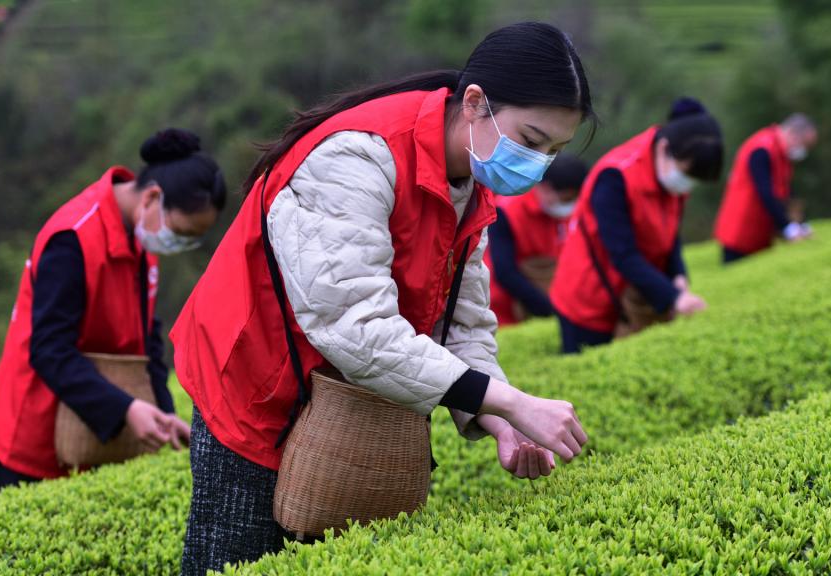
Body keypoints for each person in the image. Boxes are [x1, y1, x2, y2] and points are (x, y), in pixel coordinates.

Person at [170, 22, 593, 574]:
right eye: (532, 141)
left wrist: (498, 416)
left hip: (336, 399)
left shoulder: (470, 179)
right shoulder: (355, 159)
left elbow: (462, 320)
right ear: (474, 103)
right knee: (235, 558)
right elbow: (354, 325)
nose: (537, 166)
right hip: (254, 385)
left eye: (553, 152)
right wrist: (509, 402)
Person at [0, 128, 226, 490]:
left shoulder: (142, 237)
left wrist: (163, 412)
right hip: (33, 434)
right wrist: (126, 410)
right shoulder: (72, 238)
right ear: (152, 197)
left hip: (87, 432)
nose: (178, 244)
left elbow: (147, 334)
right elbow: (49, 350)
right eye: (180, 232)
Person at [550, 98, 723, 354]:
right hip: (590, 300)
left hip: (633, 293)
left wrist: (678, 275)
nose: (686, 185)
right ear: (665, 148)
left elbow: (670, 233)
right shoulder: (615, 176)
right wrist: (674, 297)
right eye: (685, 174)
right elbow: (622, 254)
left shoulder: (671, 175)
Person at [487, 153, 588, 326]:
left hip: (553, 295)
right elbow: (505, 272)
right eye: (567, 199)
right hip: (506, 306)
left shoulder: (565, 210)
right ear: (546, 188)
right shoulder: (507, 211)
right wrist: (551, 309)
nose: (571, 205)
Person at [714, 114, 818, 264]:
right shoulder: (762, 148)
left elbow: (785, 190)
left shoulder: (780, 153)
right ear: (793, 134)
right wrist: (787, 227)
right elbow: (766, 193)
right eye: (804, 144)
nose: (803, 150)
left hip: (760, 230)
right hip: (742, 229)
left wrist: (800, 223)